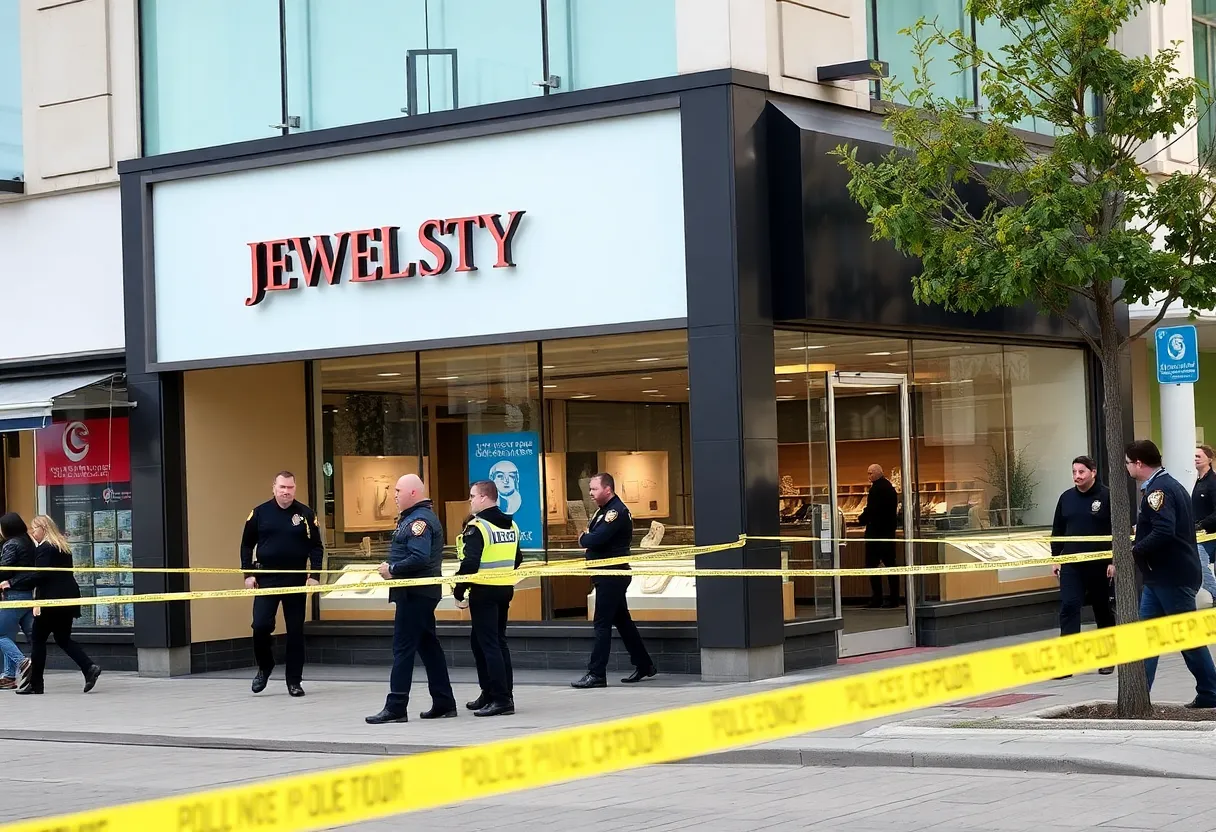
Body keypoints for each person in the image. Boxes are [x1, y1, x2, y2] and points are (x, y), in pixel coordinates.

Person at [1125, 439, 1216, 708]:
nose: (1127, 468)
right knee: (1148, 636)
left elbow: (1164, 531)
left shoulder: (1159, 490)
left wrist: (1136, 550)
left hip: (1171, 576)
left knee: (1186, 638)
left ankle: (1211, 690)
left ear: (1139, 463)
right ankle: (1140, 697)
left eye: (1128, 463)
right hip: (1162, 576)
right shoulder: (1165, 484)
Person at [365, 474, 456, 724]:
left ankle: (396, 706)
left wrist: (392, 569)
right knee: (428, 646)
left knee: (403, 648)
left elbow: (420, 557)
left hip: (415, 593)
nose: (394, 495)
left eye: (398, 490)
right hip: (418, 592)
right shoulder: (413, 518)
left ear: (413, 493)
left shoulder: (419, 521)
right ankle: (444, 701)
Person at [240, 471, 322, 698]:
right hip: (267, 577)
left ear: (295, 488)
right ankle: (265, 666)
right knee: (260, 625)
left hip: (295, 578)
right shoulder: (259, 513)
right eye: (282, 487)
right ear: (273, 487)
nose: (286, 492)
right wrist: (248, 574)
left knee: (295, 630)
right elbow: (246, 545)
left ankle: (294, 681)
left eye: (290, 488)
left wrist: (314, 574)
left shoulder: (305, 513)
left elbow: (316, 546)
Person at [571, 473, 656, 689]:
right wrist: (588, 538)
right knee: (623, 622)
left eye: (594, 489)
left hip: (611, 575)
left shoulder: (615, 512)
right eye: (590, 489)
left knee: (601, 623)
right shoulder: (603, 511)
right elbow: (594, 535)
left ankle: (596, 673)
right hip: (605, 574)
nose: (590, 493)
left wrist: (583, 538)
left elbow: (596, 538)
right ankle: (644, 664)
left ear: (607, 489)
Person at [454, 480, 522, 717]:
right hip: (504, 589)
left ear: (484, 497)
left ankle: (501, 699)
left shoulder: (478, 527)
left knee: (489, 644)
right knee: (491, 641)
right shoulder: (510, 525)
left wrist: (458, 589)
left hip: (483, 591)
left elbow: (470, 563)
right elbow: (517, 559)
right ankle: (493, 692)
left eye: (472, 496)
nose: (470, 500)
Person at [17, 515, 100, 695]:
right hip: (69, 598)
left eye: (35, 529)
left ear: (44, 529)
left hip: (52, 600)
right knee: (63, 638)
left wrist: (15, 583)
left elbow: (41, 576)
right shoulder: (63, 547)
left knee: (38, 639)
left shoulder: (45, 549)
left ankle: (36, 684)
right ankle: (89, 668)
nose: (32, 533)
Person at [1049, 456, 1115, 675]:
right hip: (1072, 564)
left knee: (1102, 609)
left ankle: (1107, 657)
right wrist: (1056, 558)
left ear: (1093, 472)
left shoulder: (1107, 496)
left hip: (1099, 564)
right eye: (1074, 472)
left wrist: (1114, 561)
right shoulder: (1066, 498)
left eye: (1082, 472)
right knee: (1069, 607)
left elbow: (1119, 531)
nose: (1077, 476)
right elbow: (1057, 531)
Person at [0, 513, 36, 690]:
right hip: (27, 596)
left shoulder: (11, 544)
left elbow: (5, 570)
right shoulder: (29, 542)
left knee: (1, 635)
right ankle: (8, 676)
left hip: (13, 596)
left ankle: (22, 662)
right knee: (9, 636)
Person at [858, 464, 900, 608]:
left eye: (870, 473)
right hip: (888, 533)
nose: (868, 476)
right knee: (890, 566)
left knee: (872, 565)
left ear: (878, 473)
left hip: (877, 533)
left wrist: (861, 519)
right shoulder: (889, 487)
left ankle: (877, 598)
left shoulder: (877, 489)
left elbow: (872, 510)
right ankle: (894, 597)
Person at [1191, 444, 1216, 605]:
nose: (1195, 459)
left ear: (1210, 459)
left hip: (1210, 532)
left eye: (1199, 456)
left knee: (1200, 565)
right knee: (1199, 566)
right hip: (1201, 534)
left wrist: (1201, 524)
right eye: (1194, 456)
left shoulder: (1213, 482)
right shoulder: (1199, 481)